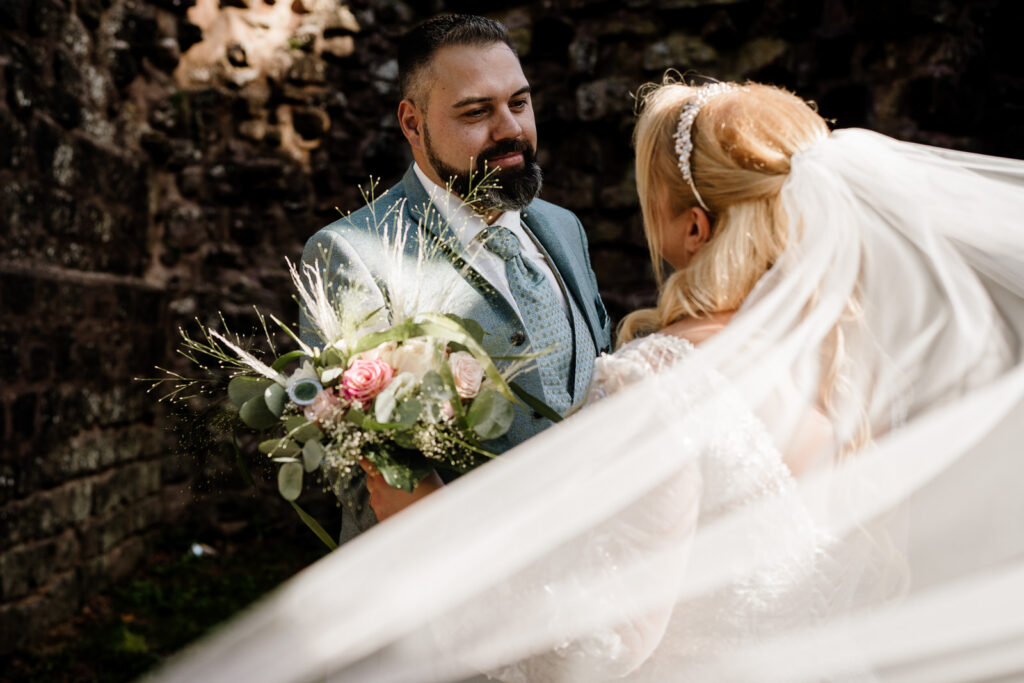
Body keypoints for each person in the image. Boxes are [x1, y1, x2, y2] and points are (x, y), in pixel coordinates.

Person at [155, 79, 1024, 682]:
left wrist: (419, 527)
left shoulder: (662, 381)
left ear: (692, 225)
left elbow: (599, 642)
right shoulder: (857, 368)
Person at [300, 14, 611, 540]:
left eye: (519, 102)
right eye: (476, 112)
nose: (510, 128)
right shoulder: (353, 253)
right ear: (412, 124)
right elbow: (355, 465)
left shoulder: (565, 228)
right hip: (453, 585)